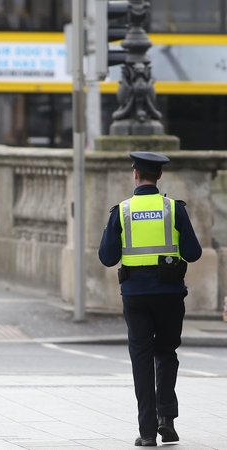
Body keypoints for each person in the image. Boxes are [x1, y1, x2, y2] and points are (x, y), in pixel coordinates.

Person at [98, 152, 202, 447]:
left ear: (135, 175)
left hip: (135, 297)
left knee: (141, 360)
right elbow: (194, 254)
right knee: (166, 352)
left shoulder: (122, 211)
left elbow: (107, 258)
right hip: (169, 294)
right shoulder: (173, 209)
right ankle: (166, 419)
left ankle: (146, 433)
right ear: (159, 177)